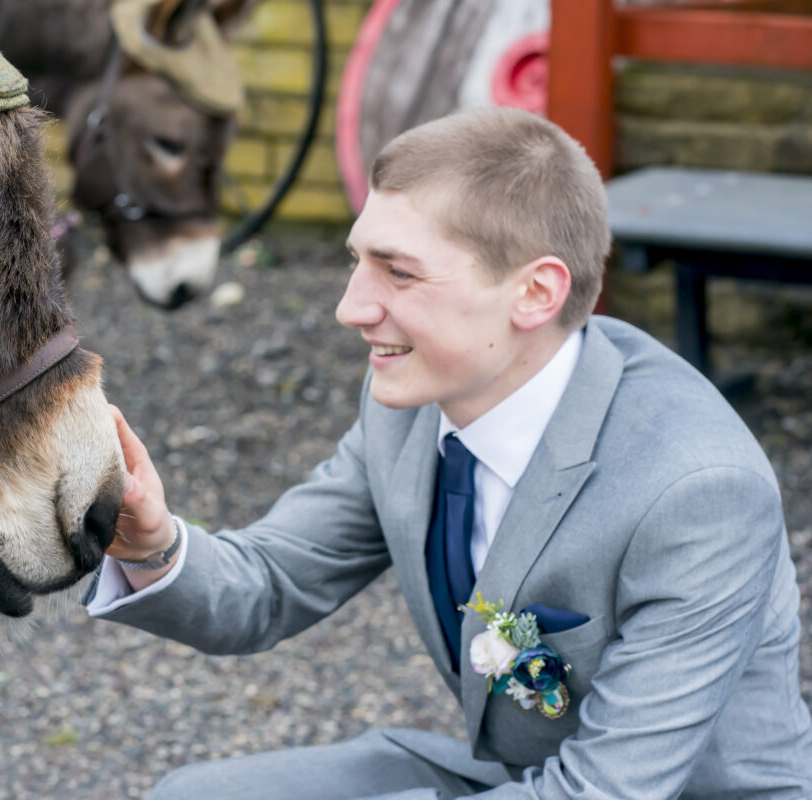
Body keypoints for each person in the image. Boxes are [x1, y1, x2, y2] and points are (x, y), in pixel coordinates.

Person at [83, 107, 812, 799]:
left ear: (535, 292)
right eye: (357, 261)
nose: (351, 308)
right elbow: (269, 583)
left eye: (398, 273)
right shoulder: (411, 407)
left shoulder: (699, 490)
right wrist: (152, 545)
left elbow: (607, 788)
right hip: (522, 774)